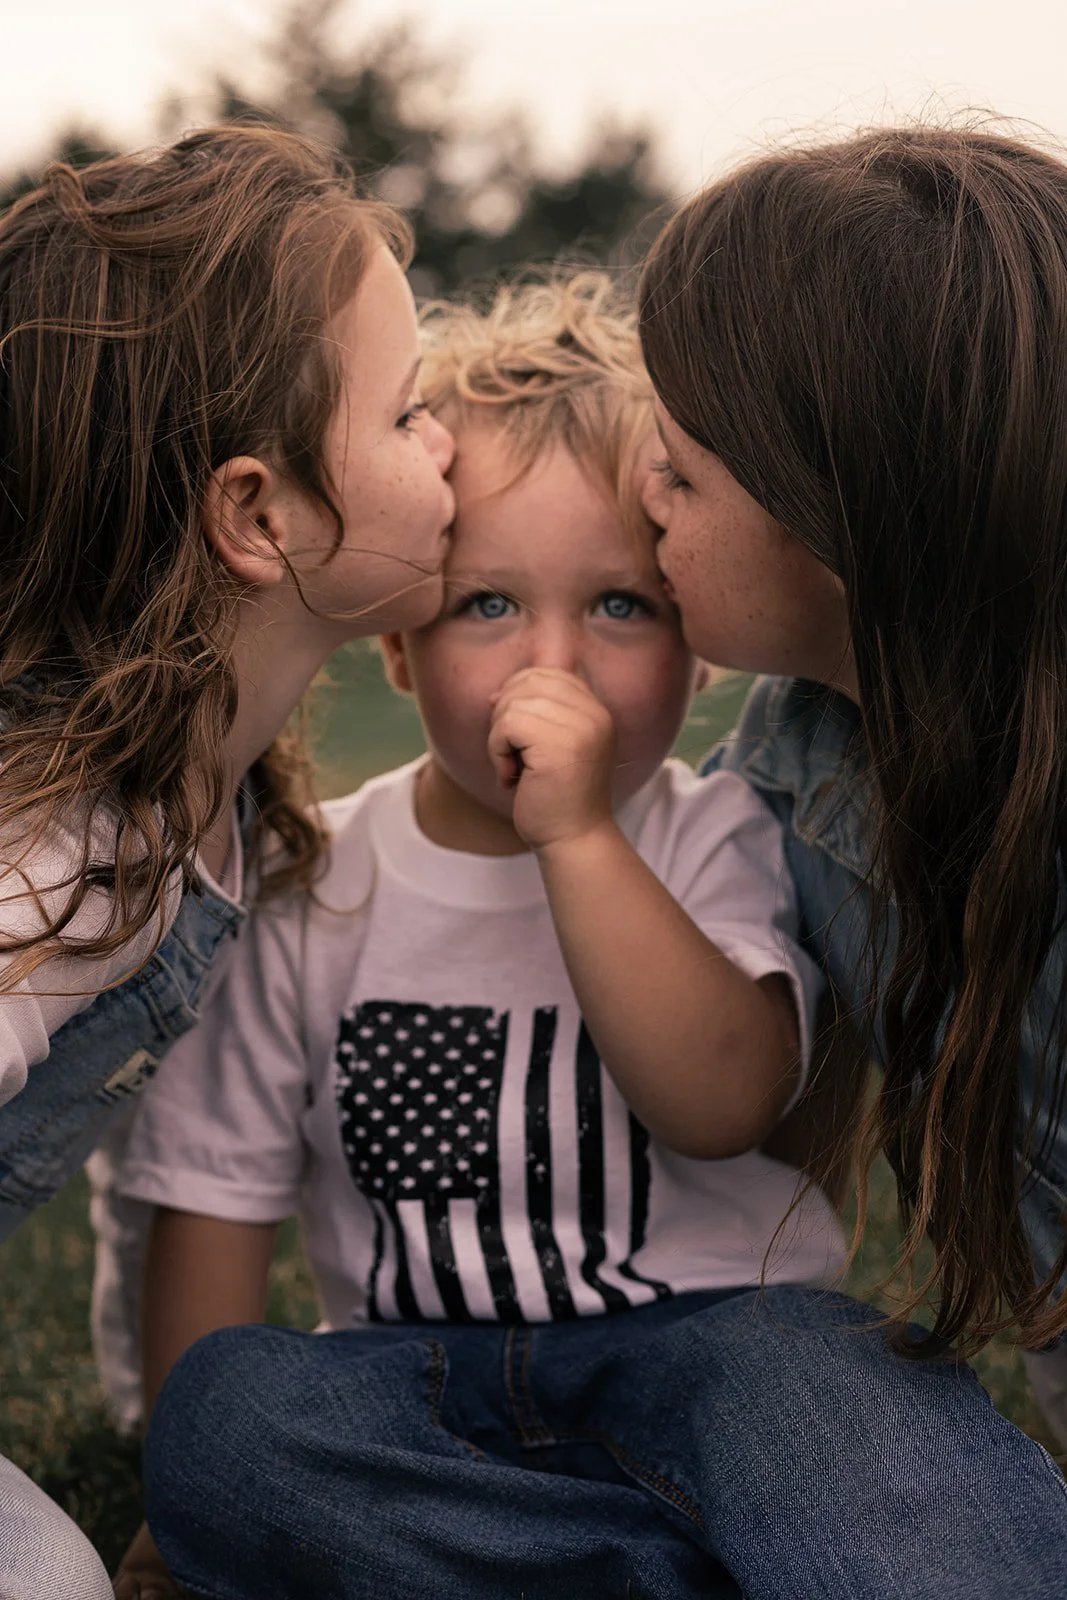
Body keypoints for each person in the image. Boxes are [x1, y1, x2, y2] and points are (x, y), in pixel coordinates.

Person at [128, 270, 1067, 1600]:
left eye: (620, 606)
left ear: (692, 644)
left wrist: (579, 839)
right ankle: (662, 1575)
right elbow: (215, 1203)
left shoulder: (721, 830)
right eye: (486, 605)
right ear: (398, 647)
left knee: (864, 1422)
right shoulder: (311, 882)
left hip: (733, 1349)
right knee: (235, 1417)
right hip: (419, 1378)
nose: (549, 665)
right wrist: (184, 1501)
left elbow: (723, 1098)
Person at [0, 125, 454, 1600]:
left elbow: (151, 1150)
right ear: (260, 516)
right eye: (406, 417)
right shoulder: (55, 851)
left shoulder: (218, 803)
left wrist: (162, 1439)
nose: (444, 442)